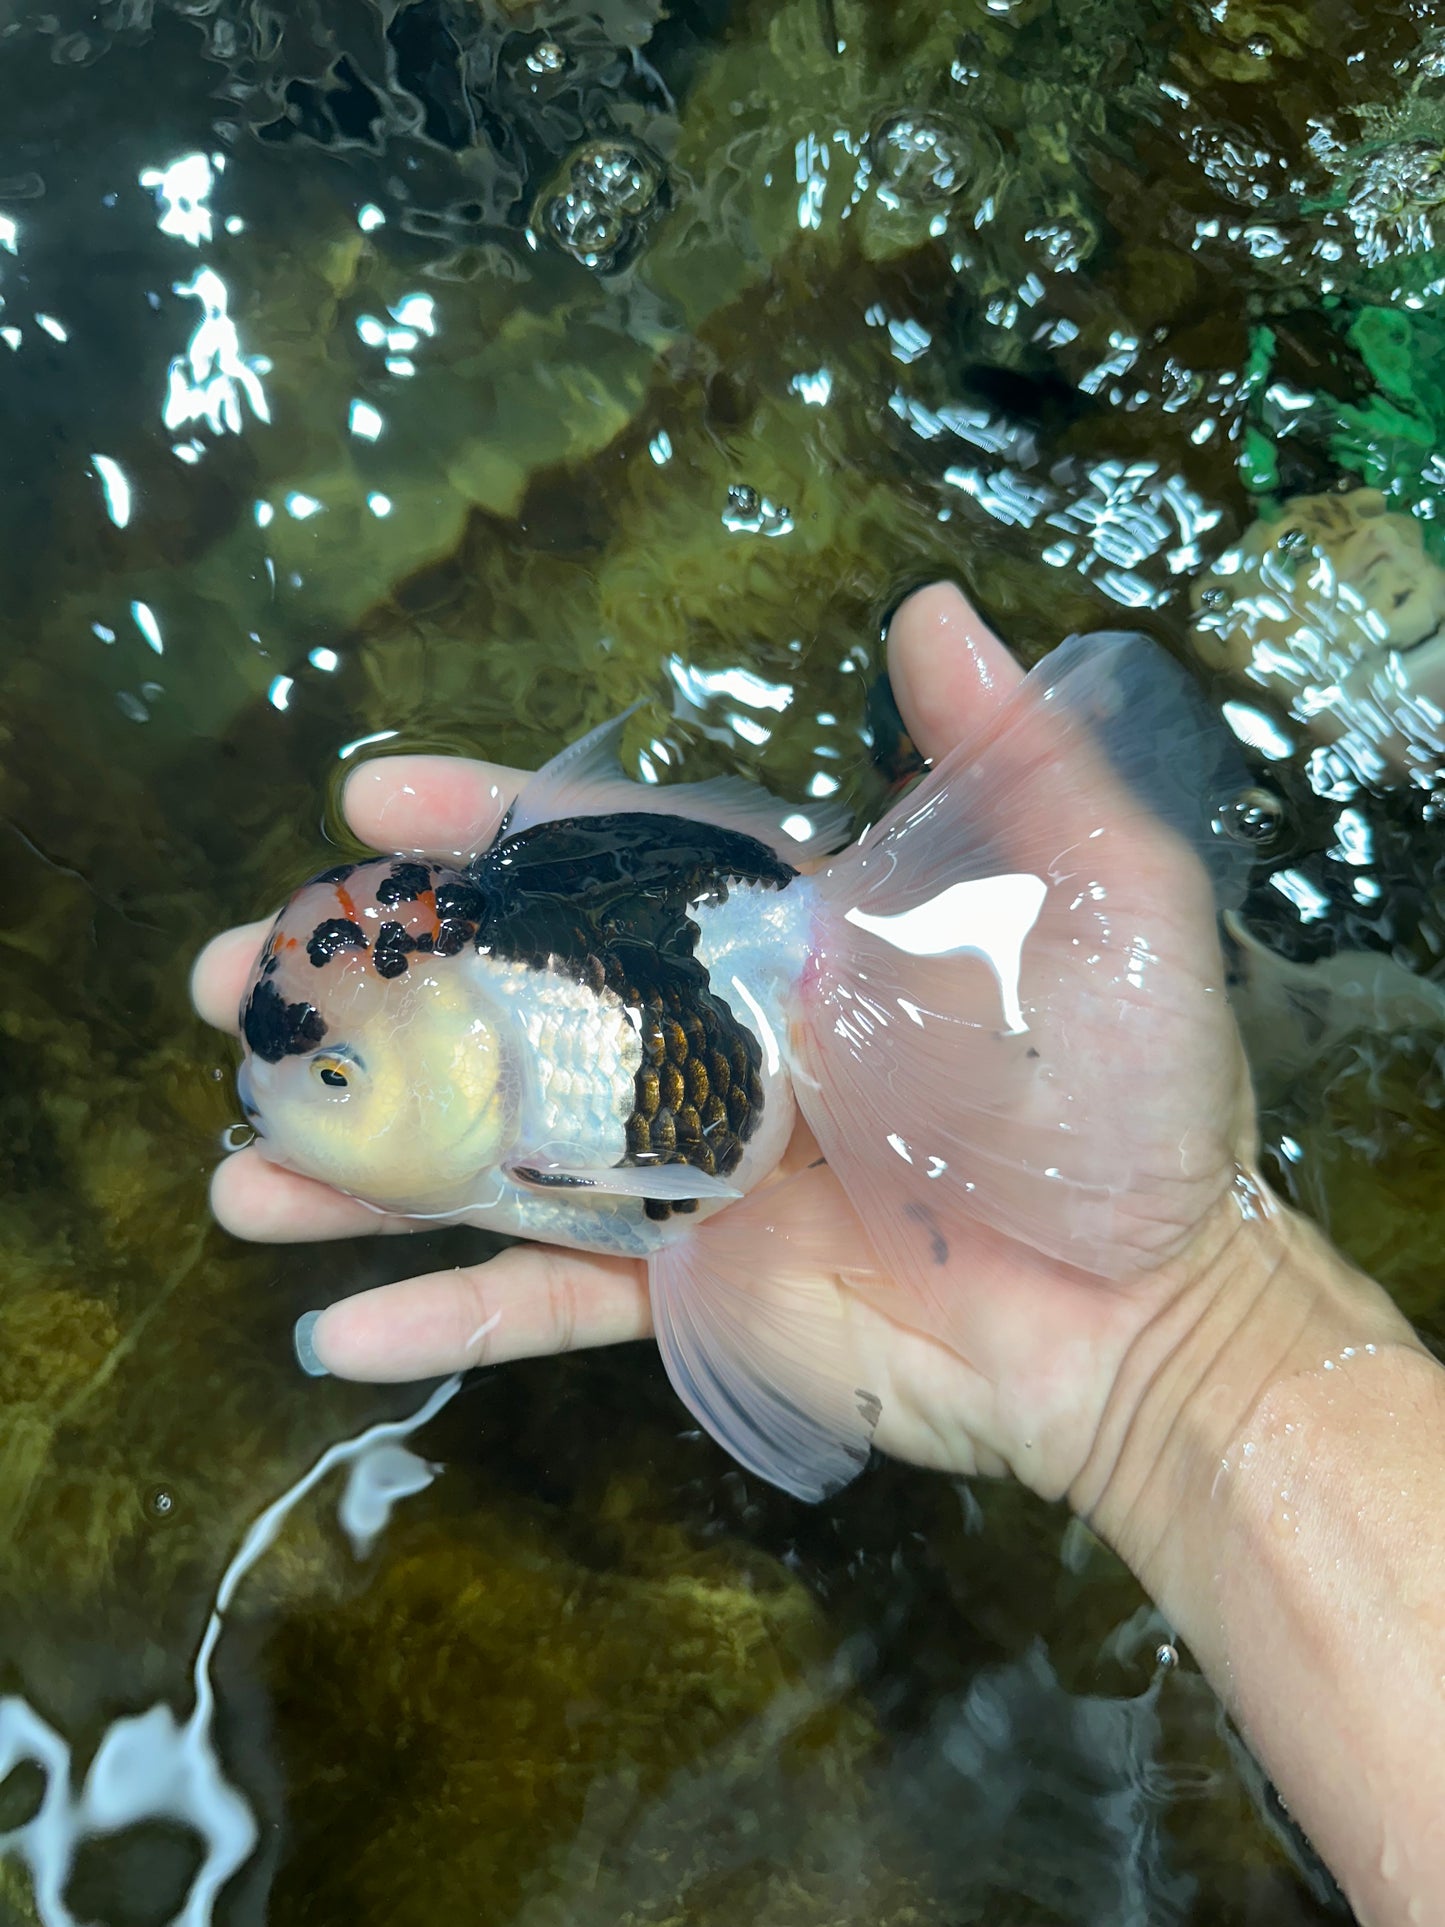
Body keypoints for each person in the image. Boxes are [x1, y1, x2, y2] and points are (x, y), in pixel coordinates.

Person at [192, 583, 1445, 1924]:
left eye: (332, 1078)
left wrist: (1189, 1332)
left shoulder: (576, 1085)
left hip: (742, 969)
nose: (285, 1102)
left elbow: (692, 1200)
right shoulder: (492, 1036)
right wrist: (1203, 1342)